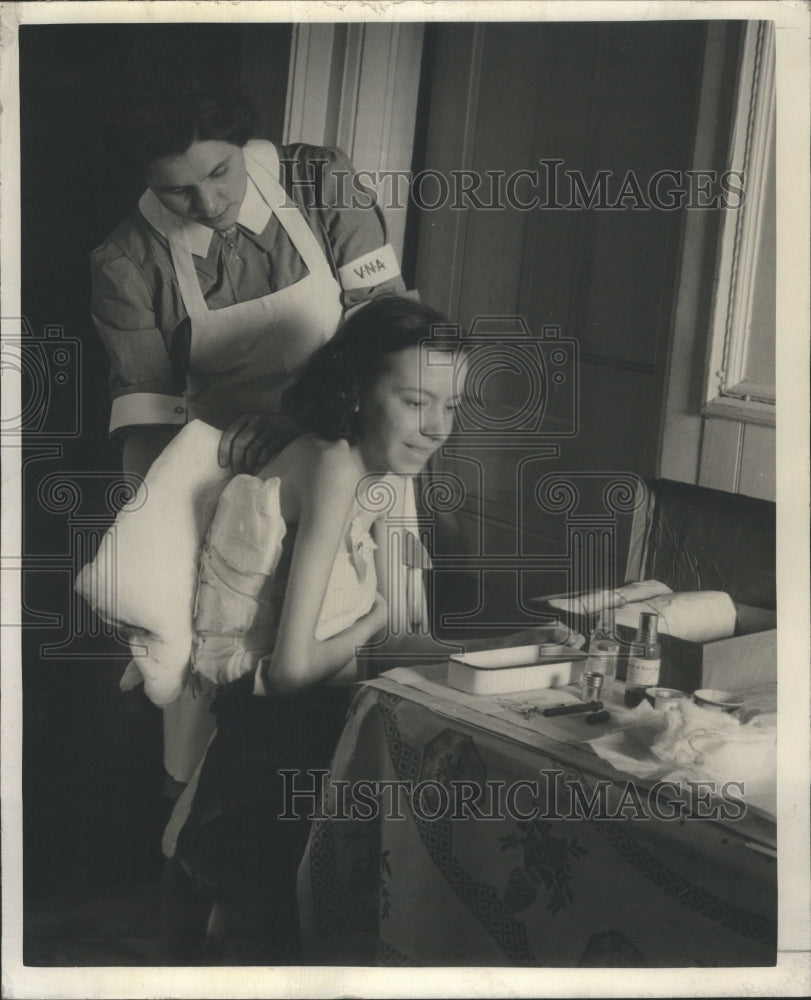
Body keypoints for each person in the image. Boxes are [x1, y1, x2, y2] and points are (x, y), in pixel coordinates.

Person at [160, 297, 568, 963]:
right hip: (279, 747)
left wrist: (514, 648)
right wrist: (378, 611)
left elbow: (359, 647)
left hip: (293, 733)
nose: (437, 426)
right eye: (415, 401)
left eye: (452, 404)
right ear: (352, 389)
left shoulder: (343, 464)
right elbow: (292, 671)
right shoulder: (331, 470)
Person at [90, 80, 408, 789]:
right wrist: (144, 557)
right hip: (229, 502)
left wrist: (300, 419)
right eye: (177, 192)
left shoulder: (320, 184)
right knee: (221, 731)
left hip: (350, 470)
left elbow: (389, 343)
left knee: (349, 712)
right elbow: (146, 436)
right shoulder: (127, 264)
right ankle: (208, 870)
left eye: (219, 172)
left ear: (242, 146)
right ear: (145, 182)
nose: (208, 204)